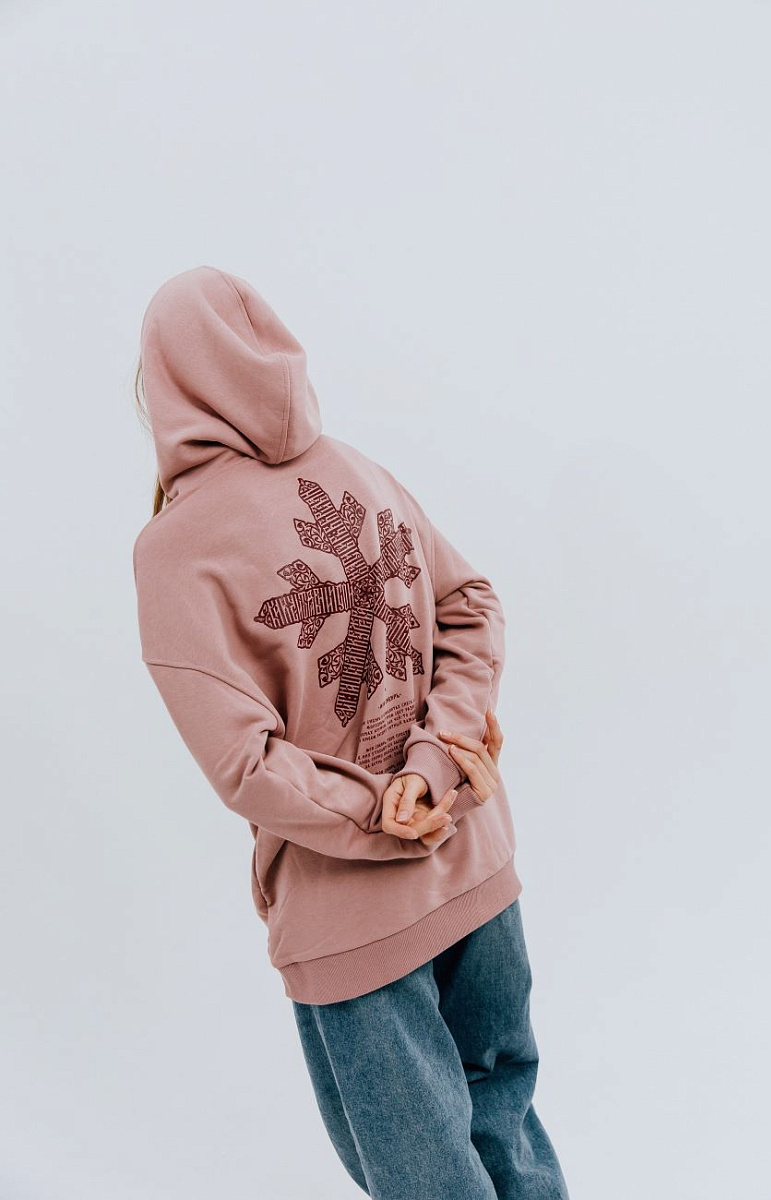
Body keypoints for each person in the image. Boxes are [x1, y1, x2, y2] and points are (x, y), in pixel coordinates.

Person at [132, 264, 570, 1199]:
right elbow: (471, 603)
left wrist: (383, 809)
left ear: (164, 380)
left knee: (425, 1181)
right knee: (508, 1130)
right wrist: (435, 764)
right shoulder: (355, 467)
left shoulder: (175, 547)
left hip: (351, 913)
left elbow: (244, 763)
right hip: (477, 860)